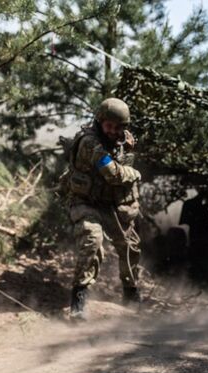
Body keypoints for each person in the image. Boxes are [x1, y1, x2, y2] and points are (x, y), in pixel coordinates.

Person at [64, 97, 143, 320]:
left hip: (110, 205)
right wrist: (135, 173)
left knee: (130, 246)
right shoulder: (90, 143)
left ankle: (131, 294)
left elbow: (119, 165)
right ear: (100, 122)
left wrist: (126, 150)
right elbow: (114, 174)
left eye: (118, 127)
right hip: (85, 203)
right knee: (92, 239)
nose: (113, 131)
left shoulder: (118, 142)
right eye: (109, 126)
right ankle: (78, 300)